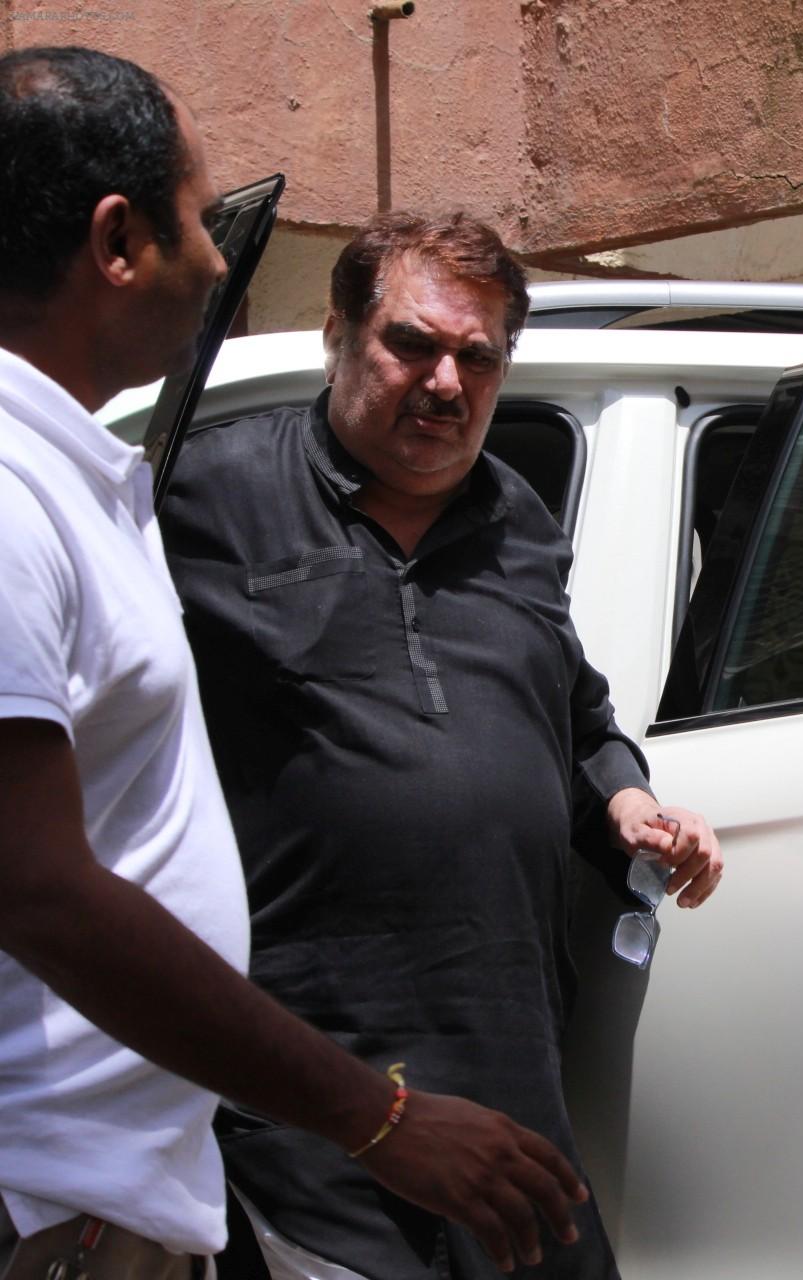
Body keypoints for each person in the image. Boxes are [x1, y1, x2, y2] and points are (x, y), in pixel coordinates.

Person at [0, 45, 592, 1280]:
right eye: (196, 222)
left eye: (478, 359)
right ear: (118, 243)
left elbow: (573, 708)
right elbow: (35, 884)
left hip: (134, 1202)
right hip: (61, 1205)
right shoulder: (44, 498)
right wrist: (372, 1114)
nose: (220, 260)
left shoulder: (81, 484)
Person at [159, 209, 723, 1279]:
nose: (446, 383)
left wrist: (626, 805)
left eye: (478, 357)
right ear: (340, 333)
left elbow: (578, 720)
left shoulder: (518, 522)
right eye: (411, 344)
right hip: (306, 1093)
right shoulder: (206, 493)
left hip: (510, 1072)